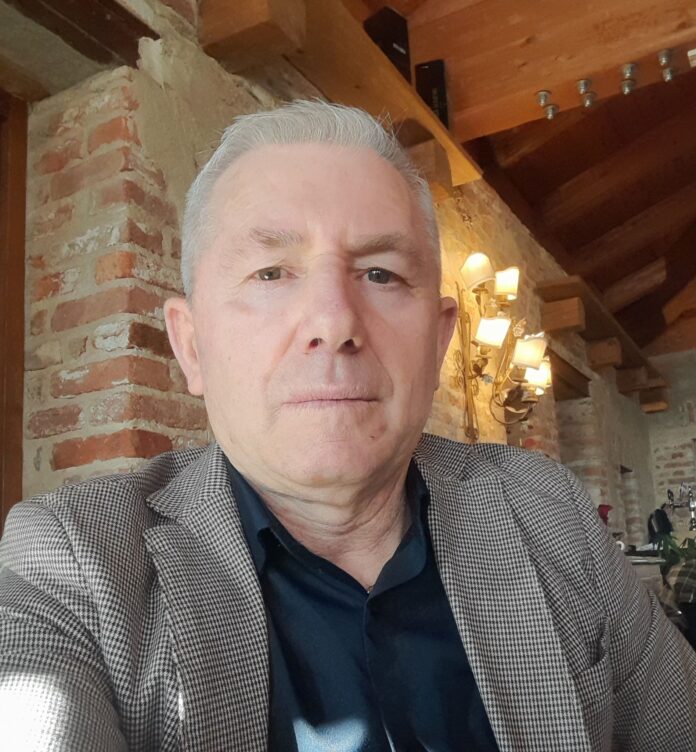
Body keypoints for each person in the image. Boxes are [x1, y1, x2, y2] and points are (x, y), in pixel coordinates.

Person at [0, 100, 694, 752]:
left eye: (381, 274)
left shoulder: (550, 511)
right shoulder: (72, 565)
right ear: (191, 345)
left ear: (439, 341)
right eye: (271, 273)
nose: (334, 323)